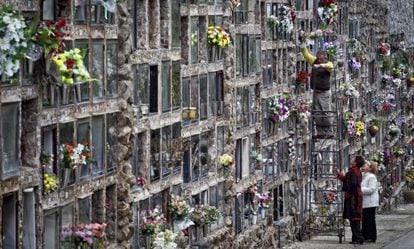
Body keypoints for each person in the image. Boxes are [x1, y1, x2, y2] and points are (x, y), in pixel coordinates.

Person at [300, 42, 334, 138]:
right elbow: (306, 55)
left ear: (325, 58)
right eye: (318, 58)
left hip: (325, 93)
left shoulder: (328, 64)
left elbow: (331, 66)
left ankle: (329, 131)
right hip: (316, 91)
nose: (319, 60)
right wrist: (303, 44)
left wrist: (320, 66)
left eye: (321, 59)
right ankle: (320, 132)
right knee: (317, 112)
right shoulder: (314, 61)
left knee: (326, 112)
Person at [338, 155, 365, 244]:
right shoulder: (355, 171)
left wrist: (348, 192)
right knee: (353, 218)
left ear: (356, 162)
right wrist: (340, 176)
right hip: (355, 196)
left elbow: (353, 184)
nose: (352, 159)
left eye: (354, 159)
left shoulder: (354, 171)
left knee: (354, 218)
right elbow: (347, 180)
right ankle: (355, 238)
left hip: (354, 198)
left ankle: (358, 238)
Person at [361, 161, 379, 243]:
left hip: (370, 202)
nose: (363, 166)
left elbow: (371, 189)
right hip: (365, 202)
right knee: (365, 219)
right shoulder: (365, 176)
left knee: (370, 219)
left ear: (370, 168)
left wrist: (360, 190)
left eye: (365, 165)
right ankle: (365, 235)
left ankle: (371, 236)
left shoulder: (371, 177)